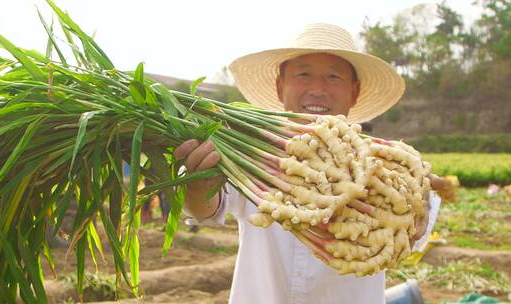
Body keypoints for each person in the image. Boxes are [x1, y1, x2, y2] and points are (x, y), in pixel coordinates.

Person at [174, 23, 448, 304]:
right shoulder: (248, 153)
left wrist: (413, 210)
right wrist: (197, 184)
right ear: (280, 86)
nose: (318, 89)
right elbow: (203, 210)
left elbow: (412, 231)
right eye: (304, 75)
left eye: (333, 77)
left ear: (354, 92)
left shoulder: (390, 170)